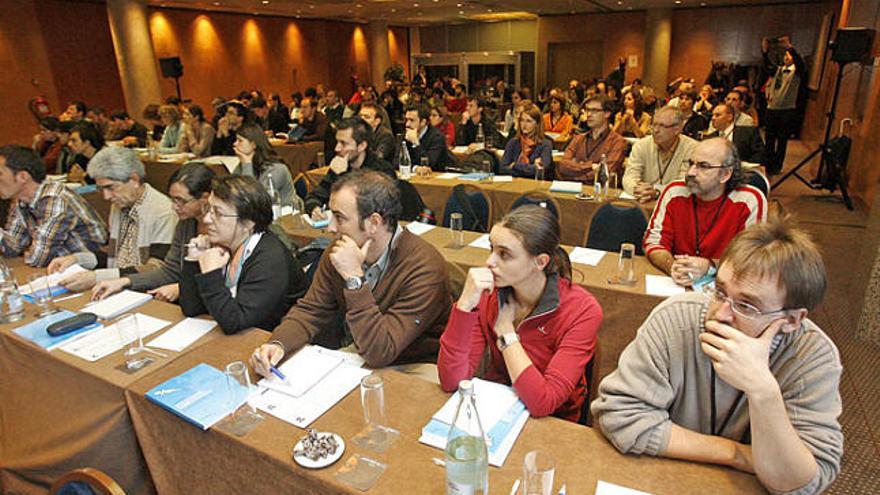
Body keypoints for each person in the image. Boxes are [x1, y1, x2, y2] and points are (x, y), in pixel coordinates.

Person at [593, 219, 842, 494]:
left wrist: (763, 391)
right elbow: (619, 415)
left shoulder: (813, 357)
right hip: (664, 478)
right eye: (720, 291)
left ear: (792, 320)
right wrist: (736, 453)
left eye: (747, 306)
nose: (721, 314)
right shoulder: (677, 318)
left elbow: (804, 482)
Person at [250, 169, 451, 374]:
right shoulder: (340, 249)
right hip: (364, 350)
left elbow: (382, 351)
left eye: (339, 217)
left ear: (373, 223)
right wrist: (278, 344)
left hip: (415, 364)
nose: (330, 227)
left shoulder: (425, 268)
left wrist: (354, 279)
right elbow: (311, 309)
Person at [438, 205, 601, 421]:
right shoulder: (489, 293)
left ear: (540, 262)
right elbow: (451, 381)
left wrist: (507, 334)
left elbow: (543, 402)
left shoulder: (582, 310)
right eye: (492, 249)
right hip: (497, 406)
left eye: (504, 254)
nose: (490, 262)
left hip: (554, 422)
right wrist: (464, 307)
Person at [175, 175, 306, 333]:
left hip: (271, 345)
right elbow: (191, 309)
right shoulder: (225, 246)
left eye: (218, 213)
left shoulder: (270, 259)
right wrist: (193, 260)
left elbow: (234, 322)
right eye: (208, 209)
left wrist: (211, 274)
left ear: (248, 223)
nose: (207, 219)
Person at [49, 146, 177, 290]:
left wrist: (96, 277)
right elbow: (113, 254)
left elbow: (156, 269)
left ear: (134, 179)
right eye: (101, 189)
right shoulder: (119, 205)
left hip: (145, 291)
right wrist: (76, 259)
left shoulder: (163, 211)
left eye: (111, 187)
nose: (106, 196)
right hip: (113, 288)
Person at [644, 138, 767, 285]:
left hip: (725, 286)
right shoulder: (674, 191)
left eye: (703, 166)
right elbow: (653, 242)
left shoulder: (749, 200)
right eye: (691, 164)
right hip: (676, 283)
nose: (691, 172)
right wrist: (672, 266)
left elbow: (751, 259)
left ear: (725, 174)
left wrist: (710, 266)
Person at [91, 163, 213, 302]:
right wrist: (125, 281)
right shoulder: (186, 223)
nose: (174, 207)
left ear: (205, 198)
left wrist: (181, 288)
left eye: (181, 201)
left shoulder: (225, 227)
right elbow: (169, 271)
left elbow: (229, 279)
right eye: (173, 199)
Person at [0, 146, 107, 267]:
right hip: (61, 270)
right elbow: (11, 249)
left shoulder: (54, 198)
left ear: (23, 177)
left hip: (91, 270)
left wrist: (29, 253)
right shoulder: (21, 201)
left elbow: (38, 259)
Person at [306, 118, 395, 220]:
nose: (337, 148)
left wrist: (341, 175)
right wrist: (314, 209)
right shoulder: (340, 165)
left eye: (343, 143)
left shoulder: (382, 171)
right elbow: (314, 196)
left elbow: (365, 208)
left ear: (361, 146)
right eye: (337, 142)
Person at [622, 106, 699, 202]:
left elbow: (684, 184)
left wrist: (657, 191)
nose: (655, 130)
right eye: (654, 125)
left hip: (676, 205)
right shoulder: (641, 145)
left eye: (662, 126)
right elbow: (629, 177)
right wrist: (637, 189)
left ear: (677, 129)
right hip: (644, 202)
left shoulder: (693, 149)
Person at [557, 96, 627, 184]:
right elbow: (563, 166)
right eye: (587, 110)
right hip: (574, 191)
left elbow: (604, 174)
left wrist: (575, 172)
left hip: (601, 193)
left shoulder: (618, 142)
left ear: (607, 113)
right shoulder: (578, 138)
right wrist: (591, 166)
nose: (589, 114)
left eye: (594, 110)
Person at [764, 46, 806, 175]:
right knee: (769, 138)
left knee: (782, 140)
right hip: (772, 108)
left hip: (786, 110)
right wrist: (765, 52)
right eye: (785, 55)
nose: (786, 57)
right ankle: (768, 164)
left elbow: (800, 63)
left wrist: (791, 48)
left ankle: (777, 165)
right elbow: (768, 66)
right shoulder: (779, 70)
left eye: (789, 55)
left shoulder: (797, 72)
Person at [232, 124, 295, 209]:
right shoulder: (243, 164)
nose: (235, 144)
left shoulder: (277, 168)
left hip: (281, 217)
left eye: (240, 141)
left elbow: (257, 200)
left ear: (253, 144)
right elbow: (232, 191)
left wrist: (247, 164)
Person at [498, 104, 552, 179]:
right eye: (522, 120)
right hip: (513, 184)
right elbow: (502, 169)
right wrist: (531, 168)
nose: (524, 124)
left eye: (528, 121)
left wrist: (515, 165)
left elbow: (540, 172)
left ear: (537, 124)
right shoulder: (513, 142)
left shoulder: (545, 144)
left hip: (534, 186)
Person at [403, 104, 450, 172]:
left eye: (412, 120)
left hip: (435, 178)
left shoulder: (437, 137)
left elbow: (429, 163)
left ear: (423, 122)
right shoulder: (406, 134)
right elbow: (396, 162)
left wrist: (416, 144)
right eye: (406, 120)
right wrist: (415, 168)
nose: (407, 124)